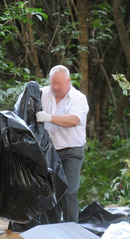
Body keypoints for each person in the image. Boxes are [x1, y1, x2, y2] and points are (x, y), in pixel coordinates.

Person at [34, 65, 89, 223]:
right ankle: (51, 231)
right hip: (48, 151)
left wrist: (49, 118)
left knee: (69, 191)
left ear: (68, 81)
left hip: (71, 151)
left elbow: (74, 120)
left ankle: (72, 229)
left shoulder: (78, 98)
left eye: (59, 84)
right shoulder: (43, 93)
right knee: (48, 192)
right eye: (53, 83)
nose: (55, 87)